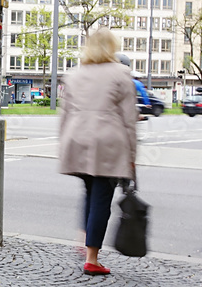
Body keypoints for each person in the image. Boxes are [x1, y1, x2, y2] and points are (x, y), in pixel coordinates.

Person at [58, 28, 138, 275]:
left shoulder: (74, 75)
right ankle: (92, 258)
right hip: (107, 142)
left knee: (90, 191)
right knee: (102, 197)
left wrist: (64, 145)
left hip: (77, 140)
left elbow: (65, 114)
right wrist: (132, 155)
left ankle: (85, 238)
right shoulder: (121, 74)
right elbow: (129, 119)